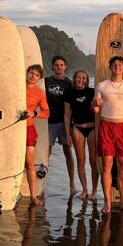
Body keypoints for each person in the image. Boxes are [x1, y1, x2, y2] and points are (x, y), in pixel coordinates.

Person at [92, 56, 123, 214]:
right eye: (115, 64)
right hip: (106, 126)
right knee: (106, 165)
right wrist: (94, 104)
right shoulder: (101, 86)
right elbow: (96, 110)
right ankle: (108, 203)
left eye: (120, 64)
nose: (117, 66)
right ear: (110, 67)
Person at [45, 55, 77, 195]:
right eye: (56, 65)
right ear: (53, 67)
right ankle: (41, 183)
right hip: (49, 122)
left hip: (64, 123)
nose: (59, 67)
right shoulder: (46, 81)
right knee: (47, 153)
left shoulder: (69, 84)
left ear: (65, 67)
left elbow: (73, 107)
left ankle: (72, 184)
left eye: (61, 65)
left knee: (68, 152)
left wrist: (71, 126)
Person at [64, 69, 98, 200]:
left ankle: (94, 191)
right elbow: (67, 115)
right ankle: (85, 189)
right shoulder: (69, 93)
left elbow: (98, 110)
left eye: (83, 78)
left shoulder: (91, 92)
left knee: (93, 162)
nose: (81, 80)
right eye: (78, 78)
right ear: (74, 78)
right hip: (77, 128)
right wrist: (68, 134)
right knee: (80, 160)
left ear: (87, 80)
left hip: (92, 128)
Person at [25, 64, 50, 206]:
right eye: (31, 73)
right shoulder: (16, 86)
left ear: (39, 78)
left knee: (29, 163)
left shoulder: (40, 93)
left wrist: (34, 113)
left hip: (29, 128)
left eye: (36, 75)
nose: (33, 76)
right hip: (11, 131)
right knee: (8, 161)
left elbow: (47, 113)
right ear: (27, 73)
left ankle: (33, 197)